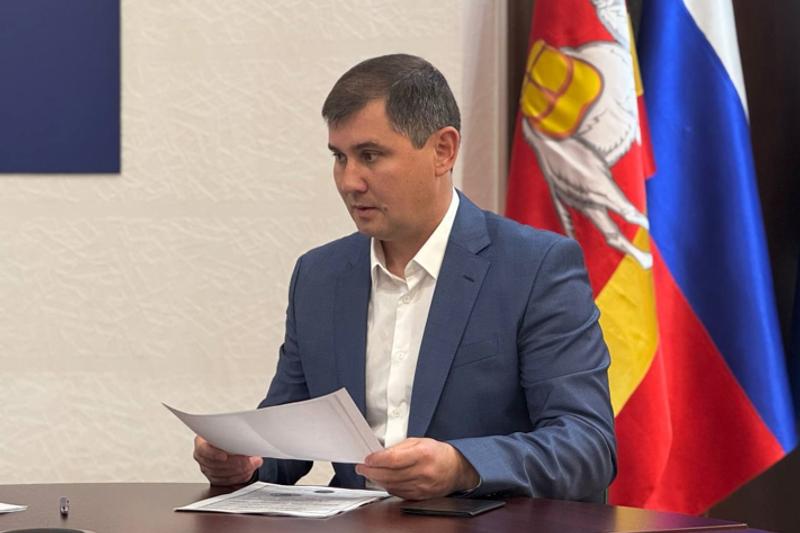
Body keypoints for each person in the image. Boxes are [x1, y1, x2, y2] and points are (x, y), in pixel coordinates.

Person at [193, 53, 616, 501]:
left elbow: (587, 445)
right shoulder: (319, 276)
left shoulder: (535, 267)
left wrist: (462, 466)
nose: (349, 181)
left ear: (443, 151)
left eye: (370, 156)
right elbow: (289, 440)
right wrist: (242, 462)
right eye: (340, 157)